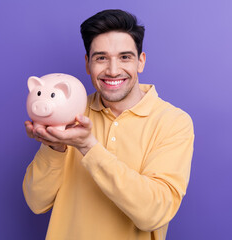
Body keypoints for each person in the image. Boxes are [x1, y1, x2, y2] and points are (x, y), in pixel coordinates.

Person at [23, 9, 194, 240]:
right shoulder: (70, 113)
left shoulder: (173, 122)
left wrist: (88, 147)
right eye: (101, 58)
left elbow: (154, 213)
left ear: (140, 61)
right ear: (87, 64)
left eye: (125, 57)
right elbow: (37, 202)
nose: (113, 70)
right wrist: (54, 147)